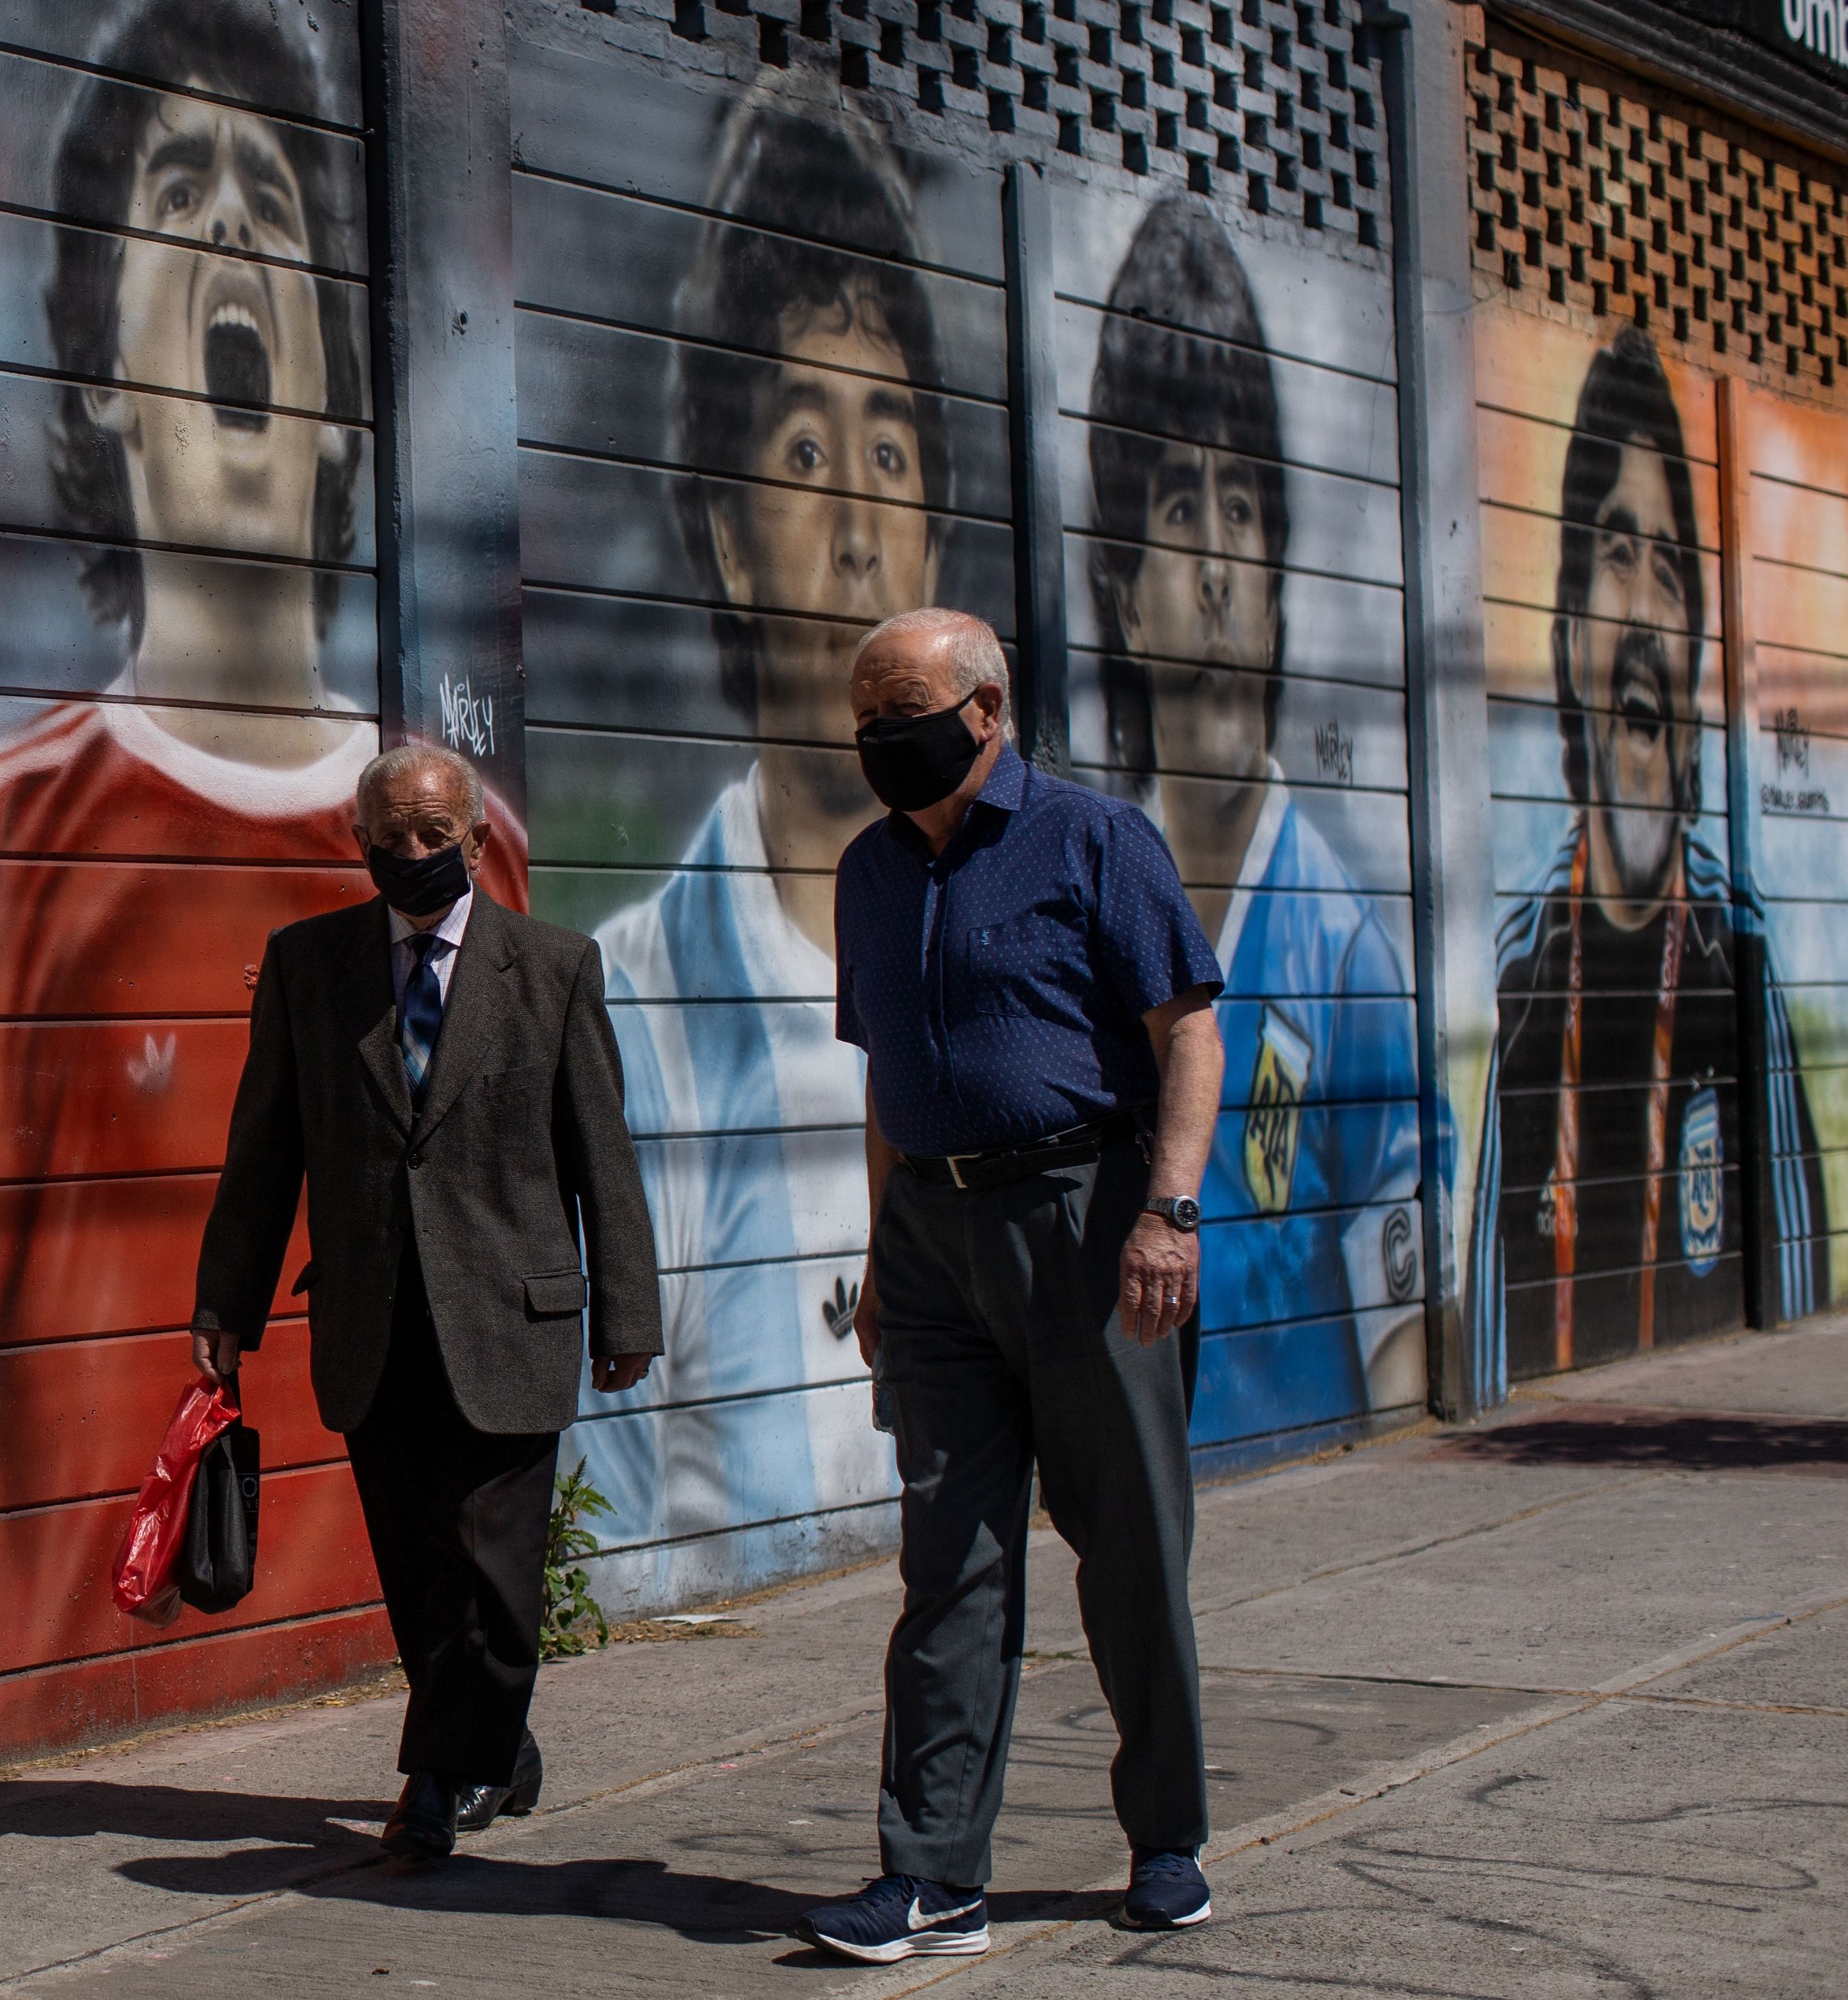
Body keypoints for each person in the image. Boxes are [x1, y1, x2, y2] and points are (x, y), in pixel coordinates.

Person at [0, 0, 522, 1793]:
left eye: (274, 201)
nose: (231, 230)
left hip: (406, 1714)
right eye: (180, 193)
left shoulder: (471, 849)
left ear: (348, 403)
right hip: (85, 1769)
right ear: (97, 383)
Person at [795, 608, 1226, 1962]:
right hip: (932, 1234)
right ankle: (932, 1877)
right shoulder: (867, 870)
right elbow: (884, 1073)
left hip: (1087, 1220)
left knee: (1131, 1549)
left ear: (988, 710)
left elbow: (1191, 1032)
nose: (881, 744)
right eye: (865, 722)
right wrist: (879, 1253)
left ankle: (1166, 1842)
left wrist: (1167, 1211)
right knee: (948, 1560)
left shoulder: (1095, 840)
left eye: (905, 716)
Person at [581, 89, 946, 1584]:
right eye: (805, 455)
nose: (859, 522)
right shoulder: (639, 1007)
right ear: (726, 536)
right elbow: (604, 1522)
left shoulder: (1002, 933)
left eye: (893, 452)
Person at [189, 740, 658, 1862]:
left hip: (514, 1316)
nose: (411, 854)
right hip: (373, 1319)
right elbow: (265, 1152)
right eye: (389, 837)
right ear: (358, 843)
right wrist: (225, 1307)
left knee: (497, 1570)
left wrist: (627, 1315)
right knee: (418, 1567)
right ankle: (495, 1748)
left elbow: (604, 1154)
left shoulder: (553, 968)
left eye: (432, 837)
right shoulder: (310, 968)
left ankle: (437, 1782)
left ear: (477, 841)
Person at [1083, 197, 1421, 1436]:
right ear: (1122, 595)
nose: (1218, 567)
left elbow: (1404, 1337)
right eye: (1179, 512)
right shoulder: (1092, 888)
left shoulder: (1345, 957)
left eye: (1243, 512)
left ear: (1277, 581)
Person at [1479, 326, 1824, 1374]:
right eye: (1614, 556)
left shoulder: (1739, 959)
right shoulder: (1522, 981)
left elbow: (1803, 1262)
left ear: (1698, 660)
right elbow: (1486, 1328)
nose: (1640, 615)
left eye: (1671, 571)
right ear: (1568, 639)